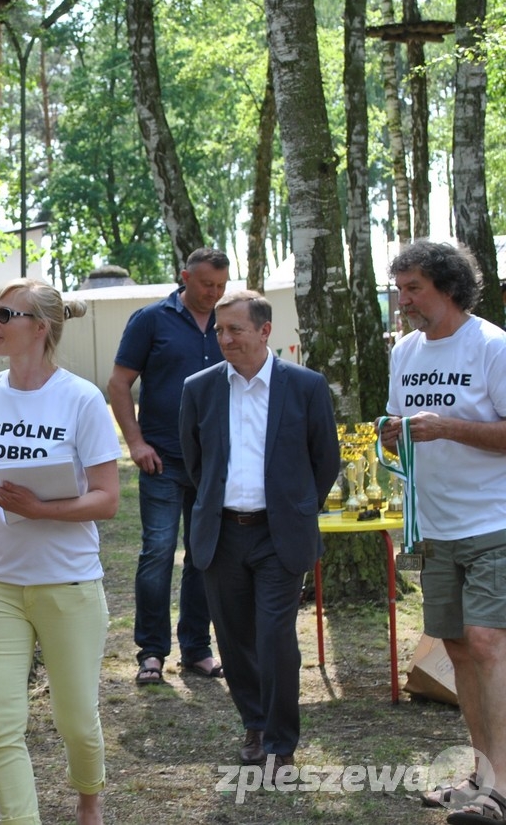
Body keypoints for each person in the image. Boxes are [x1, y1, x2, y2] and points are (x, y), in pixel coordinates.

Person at [0, 278, 120, 825]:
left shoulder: (81, 398)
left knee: (76, 721)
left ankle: (89, 800)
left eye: (7, 314)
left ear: (41, 328)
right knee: (0, 725)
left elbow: (107, 499)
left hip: (68, 584)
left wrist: (40, 509)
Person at [179, 290, 337, 772]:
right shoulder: (199, 388)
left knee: (274, 639)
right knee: (233, 639)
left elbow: (325, 460)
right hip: (222, 533)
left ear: (265, 331)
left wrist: (295, 509)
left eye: (235, 329)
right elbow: (195, 463)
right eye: (219, 330)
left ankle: (281, 740)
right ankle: (255, 723)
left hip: (279, 535)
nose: (224, 338)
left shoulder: (305, 386)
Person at [379, 240, 506, 821]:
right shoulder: (404, 352)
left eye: (414, 288)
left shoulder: (492, 346)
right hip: (434, 525)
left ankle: (500, 788)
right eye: (399, 288)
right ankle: (482, 775)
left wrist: (448, 427)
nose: (403, 300)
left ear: (449, 288)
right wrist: (393, 433)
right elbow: (404, 425)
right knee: (457, 648)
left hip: (493, 521)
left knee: (486, 643)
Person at [109, 248, 229, 685]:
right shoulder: (150, 320)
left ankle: (197, 649)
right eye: (206, 284)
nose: (213, 293)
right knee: (158, 553)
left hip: (213, 462)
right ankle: (152, 653)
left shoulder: (228, 320)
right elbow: (119, 384)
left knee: (204, 556)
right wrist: (135, 443)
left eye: (221, 286)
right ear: (185, 277)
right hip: (161, 460)